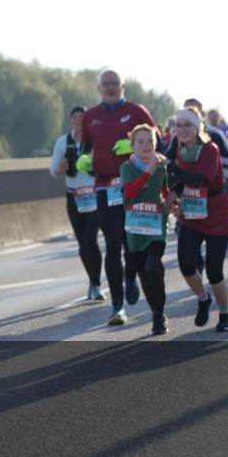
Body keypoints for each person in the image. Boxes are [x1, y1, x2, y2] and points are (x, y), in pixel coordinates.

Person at [80, 69, 156, 325]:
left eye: (115, 83)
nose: (111, 87)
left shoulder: (137, 112)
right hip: (104, 187)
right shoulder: (90, 117)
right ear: (98, 87)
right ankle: (117, 306)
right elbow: (86, 145)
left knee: (131, 242)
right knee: (112, 243)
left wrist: (133, 148)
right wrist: (84, 159)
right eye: (106, 84)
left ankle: (131, 275)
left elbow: (159, 142)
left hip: (134, 185)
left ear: (123, 86)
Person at [166, 107, 228, 332]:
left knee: (214, 271)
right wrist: (174, 192)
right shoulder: (178, 149)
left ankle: (225, 313)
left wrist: (173, 168)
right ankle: (204, 298)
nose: (183, 130)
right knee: (186, 264)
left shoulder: (210, 149)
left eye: (188, 125)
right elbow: (180, 181)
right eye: (179, 125)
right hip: (192, 213)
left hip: (216, 212)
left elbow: (200, 178)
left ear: (198, 128)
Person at [120, 124, 171, 334]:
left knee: (153, 265)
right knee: (144, 273)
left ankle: (159, 316)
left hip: (157, 224)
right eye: (140, 142)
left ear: (156, 143)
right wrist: (148, 172)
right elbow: (129, 193)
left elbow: (167, 190)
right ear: (133, 145)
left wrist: (171, 204)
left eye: (150, 141)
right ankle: (154, 310)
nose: (146, 145)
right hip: (135, 227)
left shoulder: (162, 166)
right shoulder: (127, 167)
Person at [50, 105, 104, 301]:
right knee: (82, 242)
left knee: (91, 237)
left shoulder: (96, 140)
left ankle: (97, 284)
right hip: (74, 197)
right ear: (71, 120)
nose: (79, 120)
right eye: (75, 117)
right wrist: (61, 168)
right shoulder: (63, 142)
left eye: (83, 117)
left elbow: (106, 164)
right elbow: (53, 169)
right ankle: (92, 280)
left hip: (94, 195)